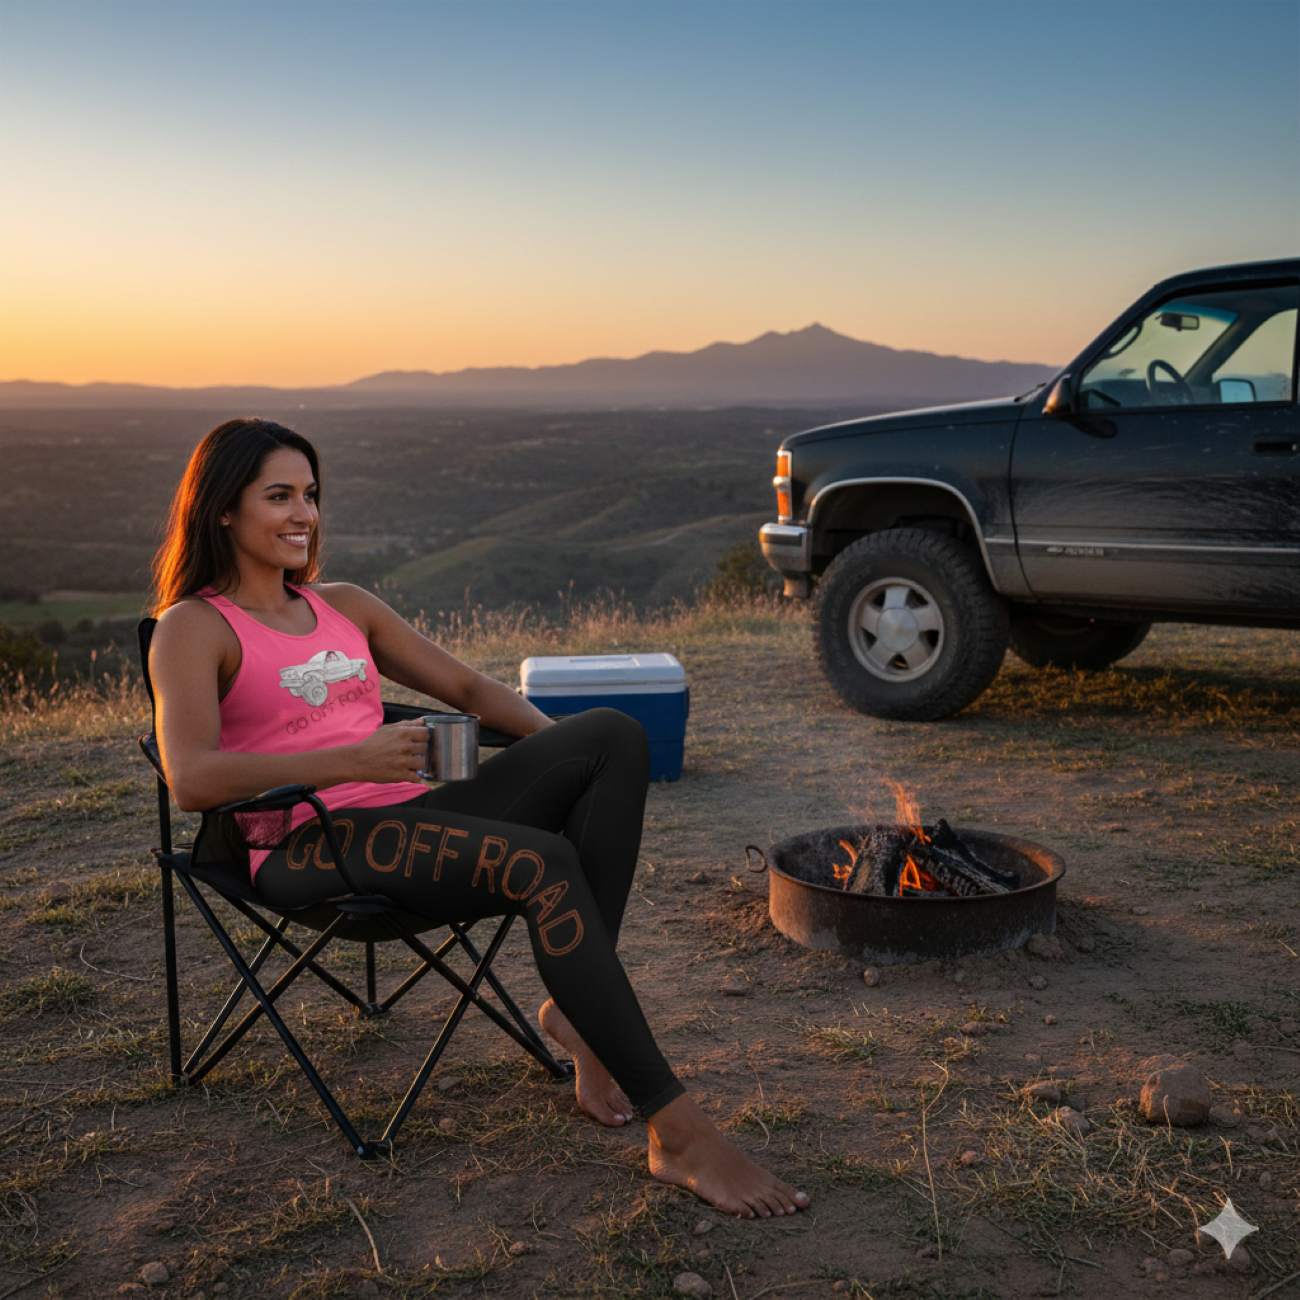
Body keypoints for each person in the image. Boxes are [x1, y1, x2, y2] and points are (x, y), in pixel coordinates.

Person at [149, 417, 810, 1219]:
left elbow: (468, 692)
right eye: (278, 496)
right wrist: (352, 761)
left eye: (311, 495)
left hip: (411, 813)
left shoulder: (343, 605)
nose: (304, 515)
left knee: (612, 736)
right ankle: (680, 1135)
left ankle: (579, 1015)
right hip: (309, 842)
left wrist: (562, 756)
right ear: (224, 508)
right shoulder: (195, 627)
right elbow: (192, 778)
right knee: (541, 862)